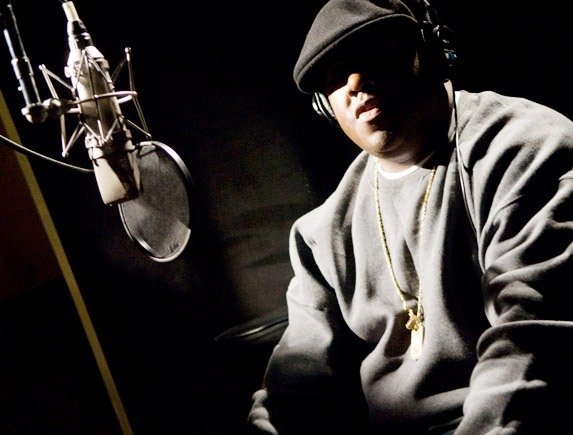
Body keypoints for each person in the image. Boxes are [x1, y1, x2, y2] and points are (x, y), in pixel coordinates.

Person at [247, 0, 573, 433]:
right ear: (326, 107)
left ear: (432, 53)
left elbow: (533, 341)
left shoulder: (525, 151)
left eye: (371, 55)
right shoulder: (323, 233)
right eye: (336, 77)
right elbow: (294, 388)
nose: (356, 83)